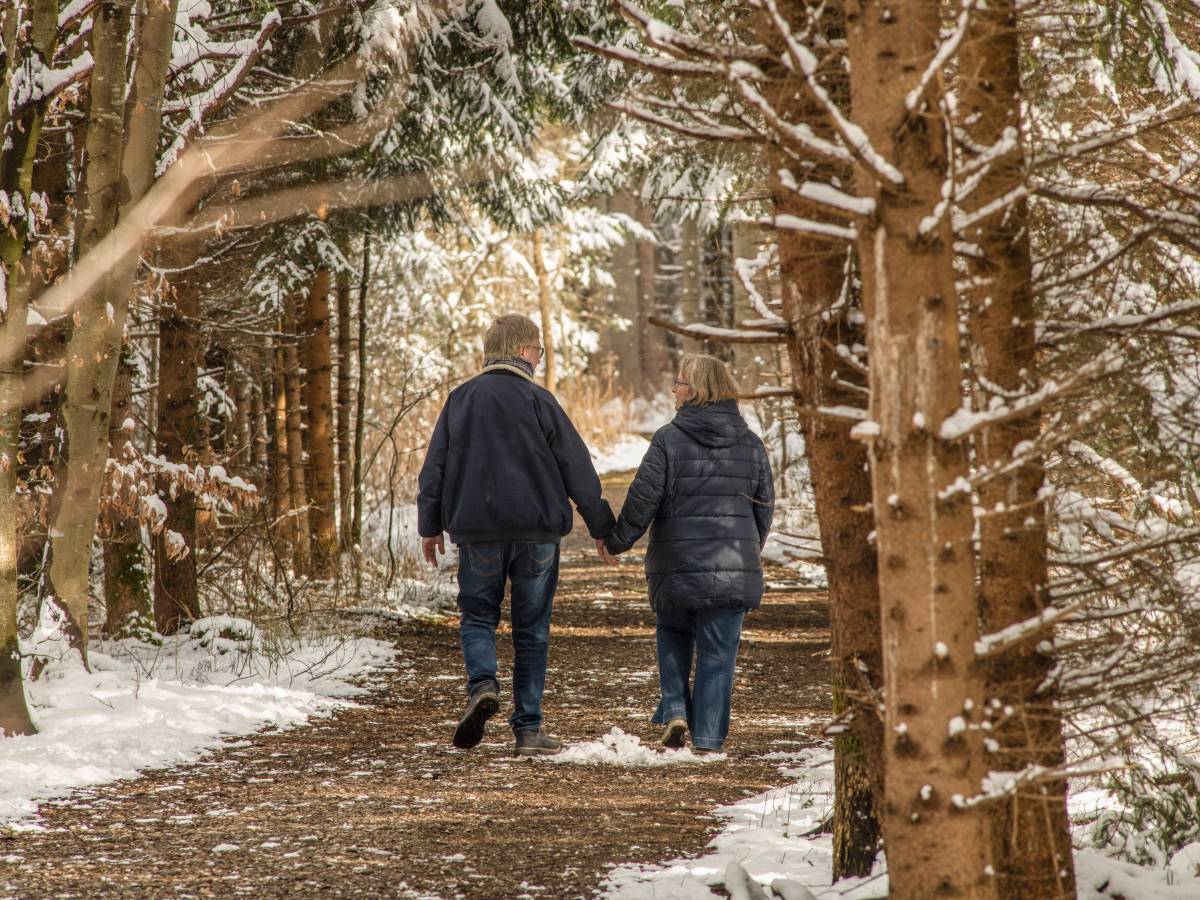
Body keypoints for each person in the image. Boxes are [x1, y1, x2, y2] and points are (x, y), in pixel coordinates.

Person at [418, 314, 618, 757]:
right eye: (539, 350)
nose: (539, 358)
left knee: (477, 617)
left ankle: (483, 684)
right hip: (537, 535)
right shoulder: (539, 400)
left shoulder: (460, 400)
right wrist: (603, 528)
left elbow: (434, 468)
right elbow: (578, 469)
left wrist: (429, 525)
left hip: (479, 533)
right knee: (532, 630)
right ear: (524, 350)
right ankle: (527, 730)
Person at [605, 354, 773, 754]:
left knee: (674, 633)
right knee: (719, 653)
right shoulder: (750, 443)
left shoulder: (668, 438)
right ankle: (710, 740)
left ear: (696, 391)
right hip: (734, 565)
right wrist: (749, 551)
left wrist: (617, 541)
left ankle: (677, 709)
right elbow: (764, 508)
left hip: (676, 565)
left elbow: (643, 499)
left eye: (679, 384)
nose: (674, 391)